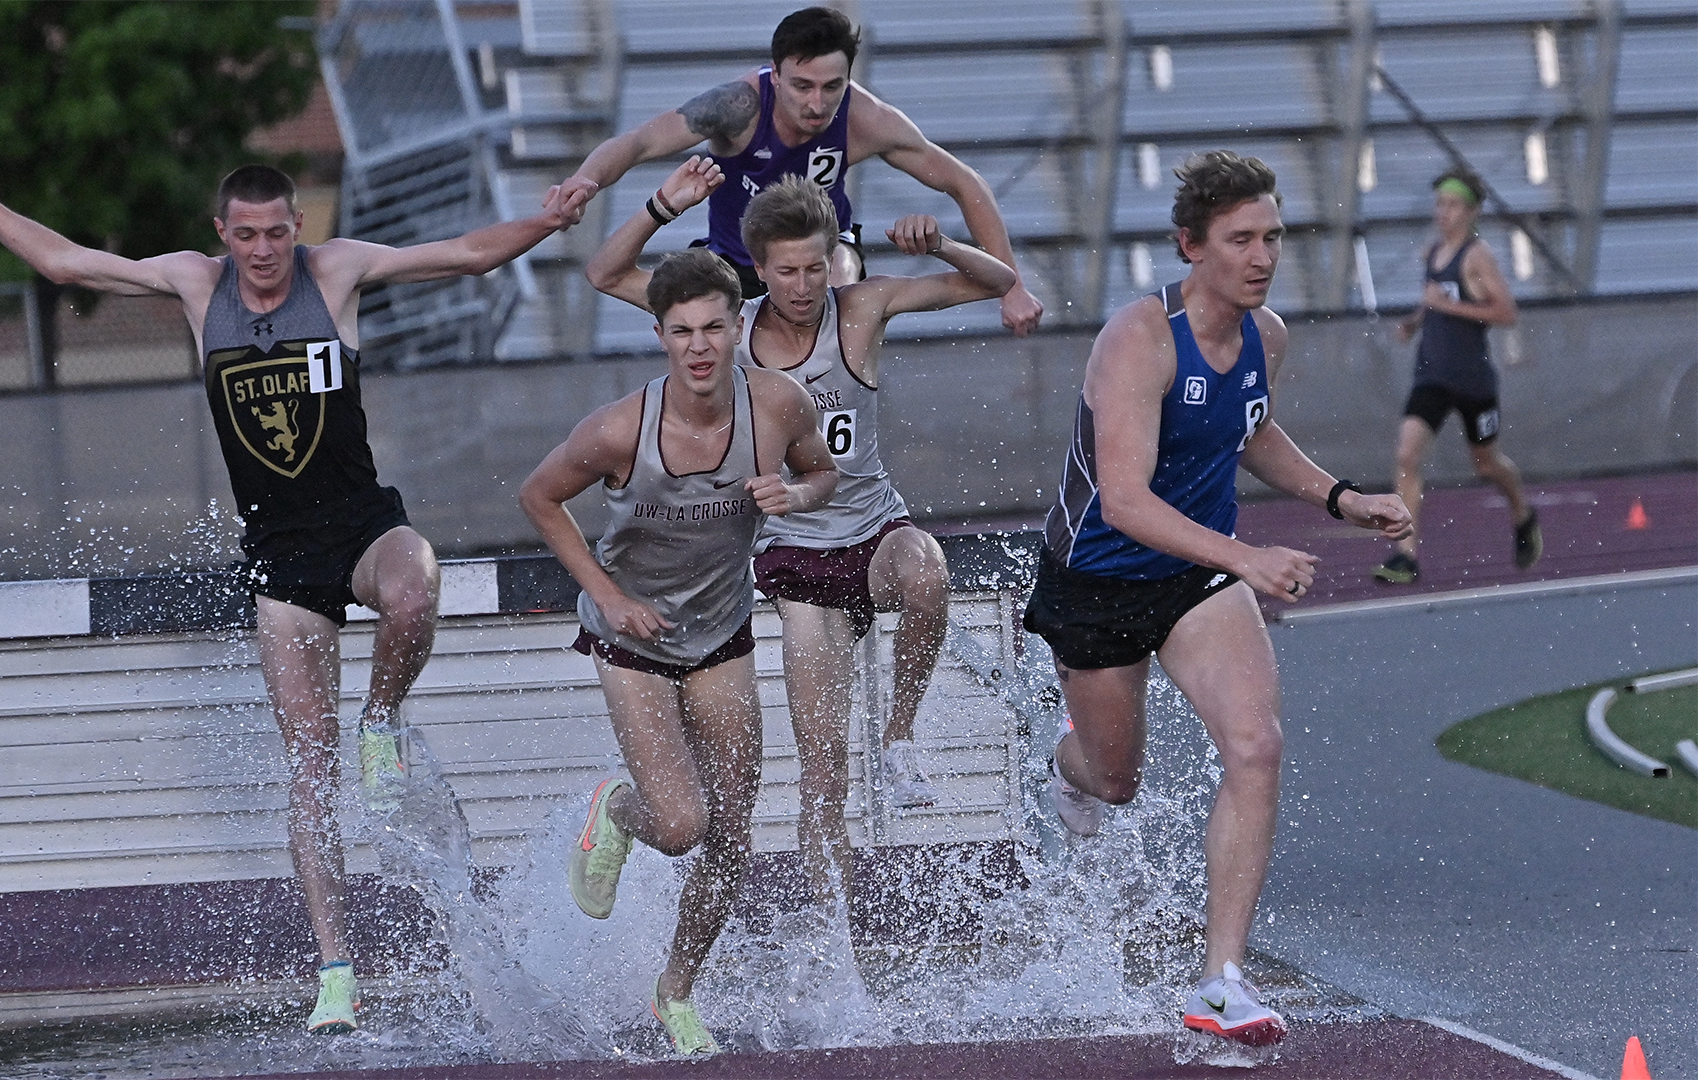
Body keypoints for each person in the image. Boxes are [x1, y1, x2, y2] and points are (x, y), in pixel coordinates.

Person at [0, 142, 590, 1034]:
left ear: (297, 228)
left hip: (361, 529)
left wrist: (550, 217)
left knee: (417, 588)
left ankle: (382, 720)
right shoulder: (196, 287)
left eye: (277, 233)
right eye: (247, 237)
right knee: (309, 771)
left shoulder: (335, 271)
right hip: (280, 558)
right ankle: (336, 972)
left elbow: (463, 254)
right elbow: (64, 261)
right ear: (221, 235)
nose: (264, 252)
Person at [1019, 151, 1412, 1045]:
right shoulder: (1138, 340)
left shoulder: (1267, 335)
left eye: (1272, 235)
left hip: (1197, 578)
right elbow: (1122, 499)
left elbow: (1253, 429)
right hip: (1099, 578)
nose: (1261, 255)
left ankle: (1221, 979)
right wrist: (1250, 553)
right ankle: (1062, 766)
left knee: (1257, 743)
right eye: (1240, 239)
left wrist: (1341, 499)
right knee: (1115, 782)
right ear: (1192, 246)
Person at [586, 162, 1015, 899]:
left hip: (874, 534)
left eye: (817, 267)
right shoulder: (730, 330)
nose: (805, 286)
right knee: (823, 772)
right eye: (787, 272)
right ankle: (832, 947)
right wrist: (662, 205)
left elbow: (997, 282)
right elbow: (605, 272)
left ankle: (901, 737)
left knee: (928, 569)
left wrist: (941, 241)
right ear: (759, 270)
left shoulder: (862, 308)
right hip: (795, 564)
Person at [518, 250, 837, 1057]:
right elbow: (539, 496)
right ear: (660, 337)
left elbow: (824, 474)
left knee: (732, 834)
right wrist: (611, 594)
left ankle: (675, 992)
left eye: (714, 329)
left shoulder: (780, 404)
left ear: (739, 329)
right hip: (633, 638)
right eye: (682, 332)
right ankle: (618, 811)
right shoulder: (621, 428)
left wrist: (794, 495)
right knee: (681, 824)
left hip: (721, 631)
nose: (700, 348)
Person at [545, 5, 1046, 336]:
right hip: (736, 260)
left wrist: (1016, 284)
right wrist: (584, 181)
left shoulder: (866, 119)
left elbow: (965, 182)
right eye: (802, 86)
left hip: (824, 253)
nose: (817, 103)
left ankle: (834, 402)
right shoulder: (737, 108)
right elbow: (638, 142)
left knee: (838, 274)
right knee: (696, 328)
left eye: (832, 86)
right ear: (775, 74)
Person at [1374, 167, 1539, 584]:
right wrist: (1415, 321)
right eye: (1440, 204)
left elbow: (1506, 313)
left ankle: (1522, 514)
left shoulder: (1477, 256)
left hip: (1472, 381)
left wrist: (1446, 308)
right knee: (1407, 455)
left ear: (1472, 212)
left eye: (1452, 205)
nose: (1443, 212)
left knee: (1486, 465)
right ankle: (1405, 556)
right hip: (1431, 376)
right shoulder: (1432, 253)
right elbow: (1435, 299)